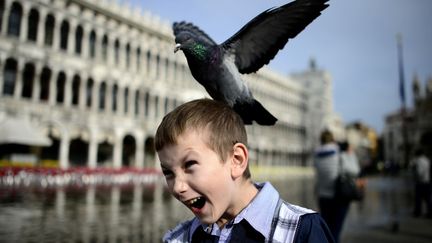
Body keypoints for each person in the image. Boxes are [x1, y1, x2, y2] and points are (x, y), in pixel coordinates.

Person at [155, 99, 334, 243]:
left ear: (237, 160)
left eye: (190, 164)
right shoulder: (180, 238)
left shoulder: (302, 230)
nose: (177, 187)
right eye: (168, 172)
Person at [313, 131, 360, 243]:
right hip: (339, 196)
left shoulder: (316, 154)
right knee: (336, 231)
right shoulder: (340, 151)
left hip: (323, 196)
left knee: (327, 229)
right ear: (333, 139)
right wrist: (351, 154)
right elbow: (354, 170)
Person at [410, 148, 432, 218]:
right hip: (427, 181)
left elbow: (420, 172)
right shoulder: (427, 160)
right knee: (427, 198)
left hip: (421, 182)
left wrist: (415, 171)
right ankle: (430, 212)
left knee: (418, 198)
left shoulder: (419, 161)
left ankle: (417, 212)